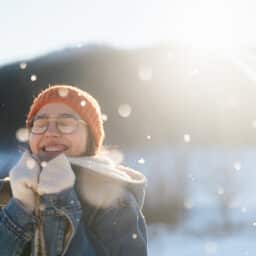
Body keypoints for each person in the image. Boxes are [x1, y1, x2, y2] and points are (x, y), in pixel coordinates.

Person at [0, 85, 148, 256]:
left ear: (90, 138)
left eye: (65, 123)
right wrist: (19, 209)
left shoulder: (114, 201)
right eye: (40, 124)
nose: (50, 132)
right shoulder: (8, 195)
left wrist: (60, 202)